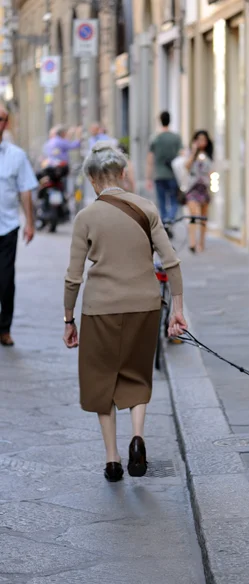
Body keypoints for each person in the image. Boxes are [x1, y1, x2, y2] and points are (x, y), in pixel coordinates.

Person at [63, 141, 187, 482]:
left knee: (101, 379)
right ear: (124, 174)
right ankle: (137, 438)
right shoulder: (146, 208)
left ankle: (113, 459)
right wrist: (176, 309)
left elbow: (73, 277)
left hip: (100, 308)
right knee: (136, 373)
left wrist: (68, 319)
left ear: (91, 179)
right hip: (145, 305)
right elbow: (172, 261)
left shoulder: (86, 217)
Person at [0, 104, 38, 347]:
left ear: (7, 123)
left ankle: (4, 328)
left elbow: (25, 190)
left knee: (5, 279)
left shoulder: (16, 155)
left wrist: (30, 222)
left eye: (2, 119)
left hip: (7, 227)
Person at [146, 111, 182, 224]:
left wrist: (148, 177)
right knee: (174, 201)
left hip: (159, 174)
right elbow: (182, 155)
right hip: (173, 174)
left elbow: (150, 159)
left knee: (161, 202)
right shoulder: (176, 138)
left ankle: (165, 221)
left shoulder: (155, 138)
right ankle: (170, 219)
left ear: (160, 121)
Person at [185, 130, 214, 253]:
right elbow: (186, 166)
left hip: (204, 188)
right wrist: (193, 151)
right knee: (194, 214)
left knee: (203, 218)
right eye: (199, 139)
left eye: (204, 139)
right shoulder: (191, 153)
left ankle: (201, 243)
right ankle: (192, 243)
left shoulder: (209, 155)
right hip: (192, 188)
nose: (201, 142)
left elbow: (212, 170)